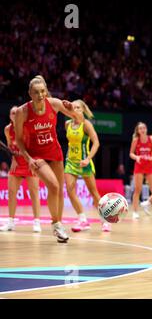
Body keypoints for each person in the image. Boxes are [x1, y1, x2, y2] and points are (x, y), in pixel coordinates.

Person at [14, 75, 83, 243]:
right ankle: (56, 223)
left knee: (59, 191)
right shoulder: (22, 112)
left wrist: (72, 108)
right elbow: (19, 140)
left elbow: (79, 119)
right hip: (36, 156)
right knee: (53, 185)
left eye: (43, 91)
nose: (40, 95)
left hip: (55, 153)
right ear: (30, 93)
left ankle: (58, 228)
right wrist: (28, 158)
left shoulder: (54, 103)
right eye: (36, 92)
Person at [64, 100, 111, 232]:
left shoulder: (86, 125)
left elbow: (96, 143)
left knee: (94, 193)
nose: (76, 109)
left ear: (83, 110)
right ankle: (82, 220)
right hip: (70, 161)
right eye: (73, 107)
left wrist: (88, 158)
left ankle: (105, 220)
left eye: (78, 107)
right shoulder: (67, 124)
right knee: (70, 189)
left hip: (84, 162)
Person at [0, 106, 41, 233]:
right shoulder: (8, 129)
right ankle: (11, 222)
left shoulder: (29, 127)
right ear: (10, 116)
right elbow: (10, 146)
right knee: (12, 193)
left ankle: (37, 222)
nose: (15, 114)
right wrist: (13, 159)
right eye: (13, 113)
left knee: (34, 193)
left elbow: (35, 145)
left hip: (30, 163)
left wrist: (33, 162)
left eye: (17, 113)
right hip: (17, 164)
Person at [129, 122, 152, 220]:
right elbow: (131, 153)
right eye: (140, 128)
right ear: (138, 131)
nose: (142, 130)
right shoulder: (135, 140)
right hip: (139, 166)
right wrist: (136, 157)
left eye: (144, 128)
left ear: (146, 129)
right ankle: (135, 212)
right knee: (138, 189)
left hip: (149, 166)